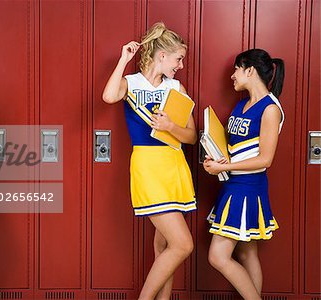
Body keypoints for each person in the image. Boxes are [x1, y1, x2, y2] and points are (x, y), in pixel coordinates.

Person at [102, 22, 197, 299]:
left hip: (175, 166)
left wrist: (170, 126)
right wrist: (123, 59)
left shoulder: (176, 87)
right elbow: (108, 96)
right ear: (162, 55)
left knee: (165, 245)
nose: (180, 65)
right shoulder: (131, 83)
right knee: (183, 245)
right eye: (178, 58)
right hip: (148, 166)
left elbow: (190, 137)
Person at [203, 48, 285, 300]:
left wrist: (223, 167)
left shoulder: (270, 109)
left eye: (236, 69)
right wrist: (217, 157)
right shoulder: (242, 105)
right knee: (247, 253)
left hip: (247, 188)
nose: (232, 76)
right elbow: (237, 148)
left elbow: (265, 159)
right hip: (232, 184)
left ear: (250, 70)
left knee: (218, 256)